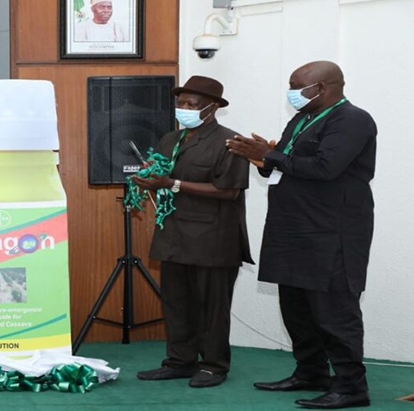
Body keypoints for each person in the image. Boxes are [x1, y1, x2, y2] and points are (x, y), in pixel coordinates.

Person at [227, 61, 376, 409]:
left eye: (297, 86)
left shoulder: (352, 119)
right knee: (297, 309)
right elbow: (289, 161)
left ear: (323, 87)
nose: (292, 92)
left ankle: (352, 388)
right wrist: (265, 157)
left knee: (334, 312)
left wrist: (272, 156)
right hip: (292, 229)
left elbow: (326, 167)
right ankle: (311, 372)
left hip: (331, 232)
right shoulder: (304, 118)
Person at [132, 75, 253, 388]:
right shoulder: (171, 140)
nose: (183, 108)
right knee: (176, 302)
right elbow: (162, 177)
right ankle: (180, 361)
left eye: (192, 104)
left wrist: (171, 183)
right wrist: (149, 177)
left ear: (212, 108)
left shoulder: (231, 142)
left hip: (213, 240)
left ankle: (214, 366)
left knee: (212, 308)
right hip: (173, 235)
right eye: (181, 102)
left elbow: (228, 192)